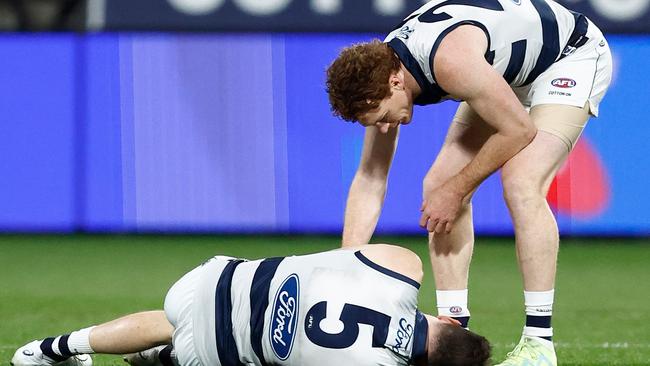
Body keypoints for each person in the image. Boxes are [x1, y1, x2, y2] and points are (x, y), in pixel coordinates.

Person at [326, 1, 612, 365]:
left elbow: (518, 131)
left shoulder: (450, 62)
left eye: (382, 116)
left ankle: (540, 344)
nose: (384, 126)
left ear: (395, 82)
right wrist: (345, 267)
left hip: (569, 55)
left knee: (521, 182)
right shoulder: (382, 70)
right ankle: (453, 326)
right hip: (504, 71)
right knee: (438, 183)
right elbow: (370, 177)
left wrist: (457, 190)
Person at [11, 244, 491, 366]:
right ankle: (169, 358)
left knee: (171, 320)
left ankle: (47, 350)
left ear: (447, 320)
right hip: (213, 352)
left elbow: (342, 257)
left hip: (210, 280)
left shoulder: (403, 268)